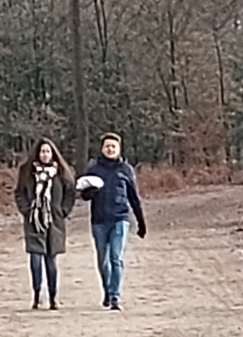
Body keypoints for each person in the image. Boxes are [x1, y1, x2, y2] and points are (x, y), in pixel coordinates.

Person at [78, 132, 146, 310]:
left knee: (116, 258)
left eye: (113, 146)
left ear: (119, 149)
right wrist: (90, 192)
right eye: (107, 146)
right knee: (103, 260)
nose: (110, 149)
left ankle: (115, 296)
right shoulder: (94, 169)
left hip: (120, 218)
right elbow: (83, 194)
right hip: (99, 220)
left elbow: (134, 197)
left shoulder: (126, 170)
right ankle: (107, 291)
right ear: (102, 148)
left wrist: (141, 222)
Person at [13, 138, 76, 310]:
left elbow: (70, 192)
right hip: (34, 220)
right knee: (35, 257)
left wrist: (63, 211)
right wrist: (27, 210)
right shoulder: (27, 171)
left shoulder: (61, 172)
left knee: (51, 259)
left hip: (54, 221)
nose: (45, 155)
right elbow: (19, 192)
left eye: (48, 151)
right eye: (42, 151)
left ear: (53, 153)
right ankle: (36, 294)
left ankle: (53, 297)